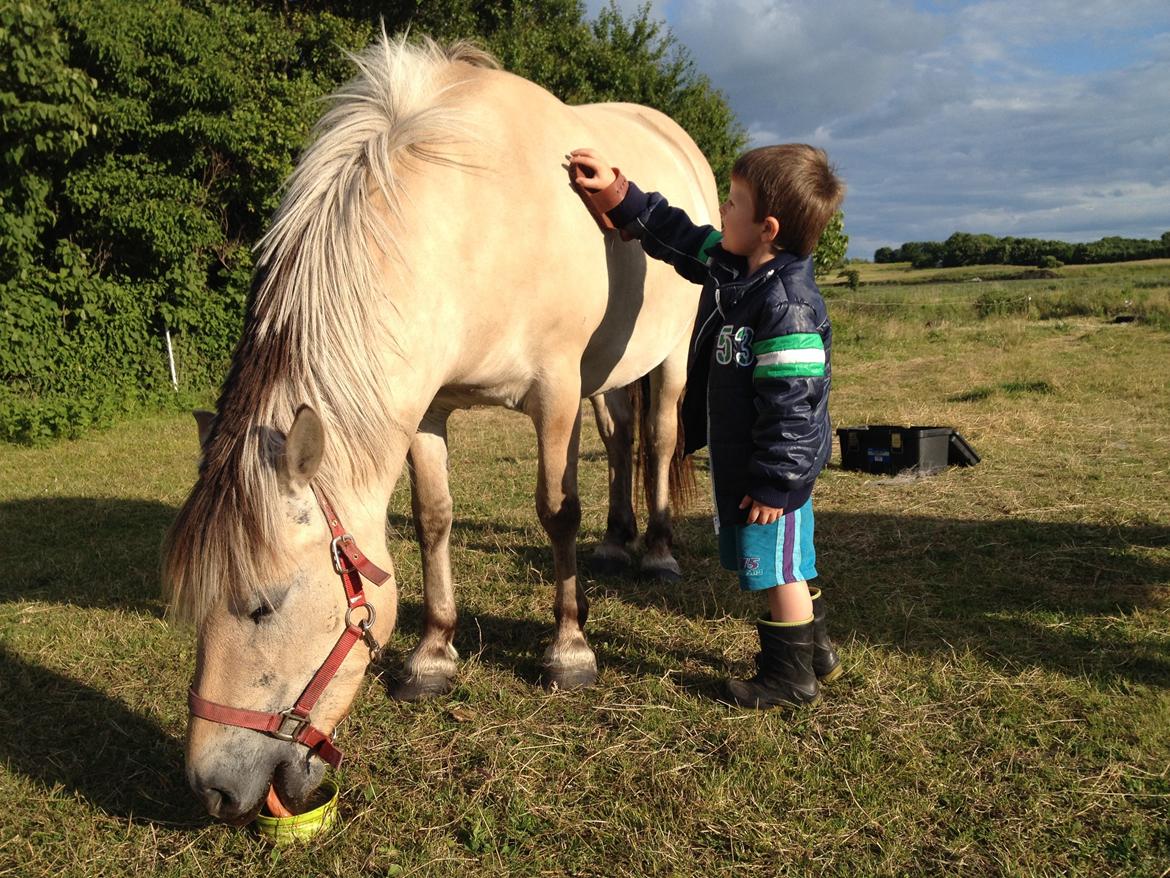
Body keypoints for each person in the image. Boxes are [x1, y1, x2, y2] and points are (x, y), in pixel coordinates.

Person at [568, 143, 845, 709]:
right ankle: (815, 653)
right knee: (787, 564)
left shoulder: (786, 305)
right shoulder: (736, 268)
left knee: (779, 574)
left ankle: (789, 679)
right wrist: (619, 194)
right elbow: (680, 236)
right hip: (758, 466)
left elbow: (794, 409)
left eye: (734, 202)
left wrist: (774, 483)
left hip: (773, 477)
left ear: (767, 229)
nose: (722, 208)